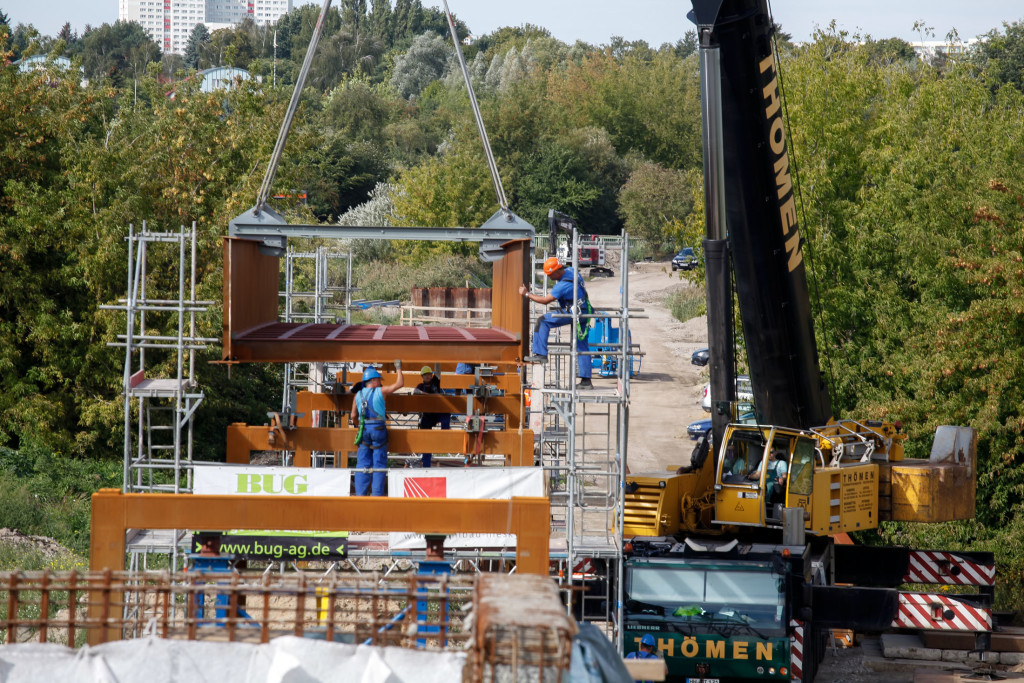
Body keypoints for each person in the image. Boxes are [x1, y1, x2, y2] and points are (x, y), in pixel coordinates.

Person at [519, 256, 594, 389]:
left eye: (550, 274)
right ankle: (586, 381)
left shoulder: (562, 285)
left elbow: (545, 300)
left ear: (557, 271)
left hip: (574, 312)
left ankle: (540, 354)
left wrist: (527, 294)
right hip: (584, 310)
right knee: (581, 345)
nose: (549, 277)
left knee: (543, 321)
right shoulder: (571, 271)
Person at [350, 361, 404, 496]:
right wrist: (398, 368)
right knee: (379, 465)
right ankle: (376, 496)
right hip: (378, 429)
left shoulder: (358, 395)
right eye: (379, 379)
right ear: (373, 380)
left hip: (364, 430)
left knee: (362, 464)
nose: (380, 382)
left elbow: (353, 416)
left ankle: (360, 496)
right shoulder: (381, 391)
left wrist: (359, 425)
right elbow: (399, 384)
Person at [413, 365, 450, 467]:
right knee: (426, 442)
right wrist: (427, 395)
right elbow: (415, 392)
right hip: (427, 416)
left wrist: (437, 358)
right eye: (425, 375)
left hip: (437, 412)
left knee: (446, 413)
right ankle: (426, 464)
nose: (428, 377)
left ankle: (445, 436)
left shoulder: (435, 382)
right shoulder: (420, 386)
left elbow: (438, 370)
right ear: (422, 376)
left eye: (429, 374)